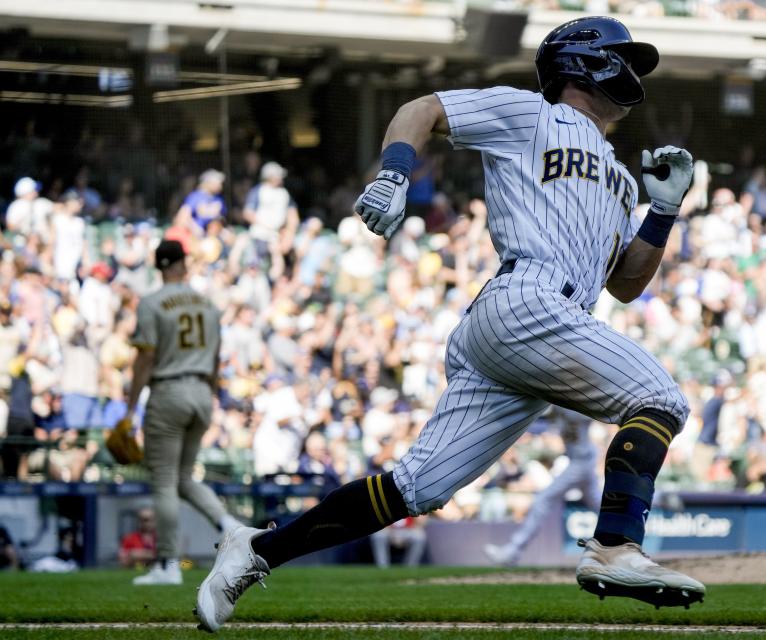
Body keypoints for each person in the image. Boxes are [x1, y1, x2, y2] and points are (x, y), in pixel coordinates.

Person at [196, 16, 704, 632]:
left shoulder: (624, 179)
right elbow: (423, 108)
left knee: (417, 488)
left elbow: (625, 284)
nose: (631, 71)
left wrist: (664, 210)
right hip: (527, 297)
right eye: (623, 57)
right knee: (658, 398)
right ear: (585, 61)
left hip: (536, 326)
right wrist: (393, 173)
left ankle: (254, 550)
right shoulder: (531, 114)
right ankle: (617, 547)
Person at [125, 240, 241, 585]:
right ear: (183, 264)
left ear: (159, 266)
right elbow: (218, 357)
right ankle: (231, 527)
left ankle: (167, 564)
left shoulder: (152, 302)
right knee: (184, 478)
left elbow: (145, 357)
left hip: (169, 389)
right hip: (202, 391)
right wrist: (211, 393)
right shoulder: (207, 304)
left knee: (163, 479)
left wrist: (130, 407)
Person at [483, 408, 600, 566]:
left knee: (543, 500)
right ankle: (627, 538)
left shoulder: (577, 402)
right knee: (599, 505)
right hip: (579, 460)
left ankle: (512, 551)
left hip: (582, 461)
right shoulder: (559, 405)